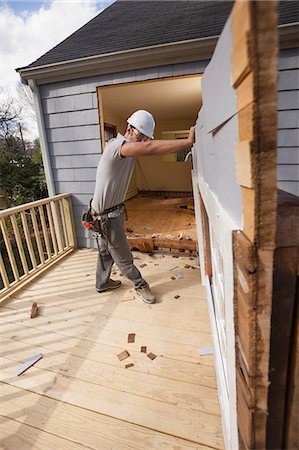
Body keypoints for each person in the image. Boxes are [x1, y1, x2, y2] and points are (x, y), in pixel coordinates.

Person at [91, 110, 195, 304]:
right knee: (123, 256)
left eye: (146, 137)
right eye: (142, 136)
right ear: (130, 129)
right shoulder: (117, 146)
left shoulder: (127, 148)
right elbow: (150, 149)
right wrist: (187, 142)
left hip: (105, 213)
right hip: (106, 217)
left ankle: (102, 283)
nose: (143, 141)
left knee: (106, 252)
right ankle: (139, 285)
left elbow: (147, 147)